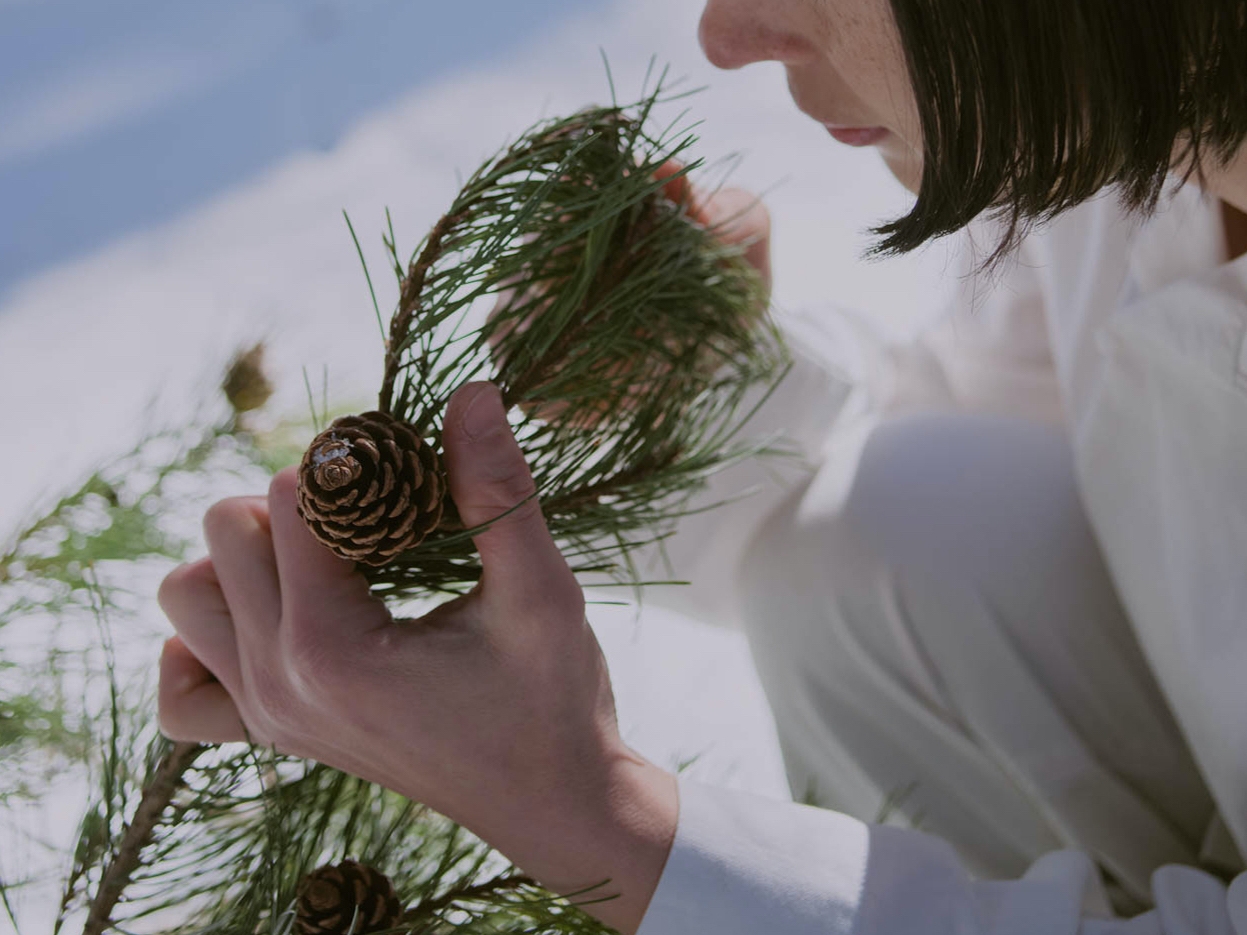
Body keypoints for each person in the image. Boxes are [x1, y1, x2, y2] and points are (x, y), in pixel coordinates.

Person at [155, 0, 1247, 932]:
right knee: (873, 530)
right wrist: (698, 382)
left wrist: (594, 819)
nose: (727, 36)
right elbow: (1018, 458)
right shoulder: (1139, 165)